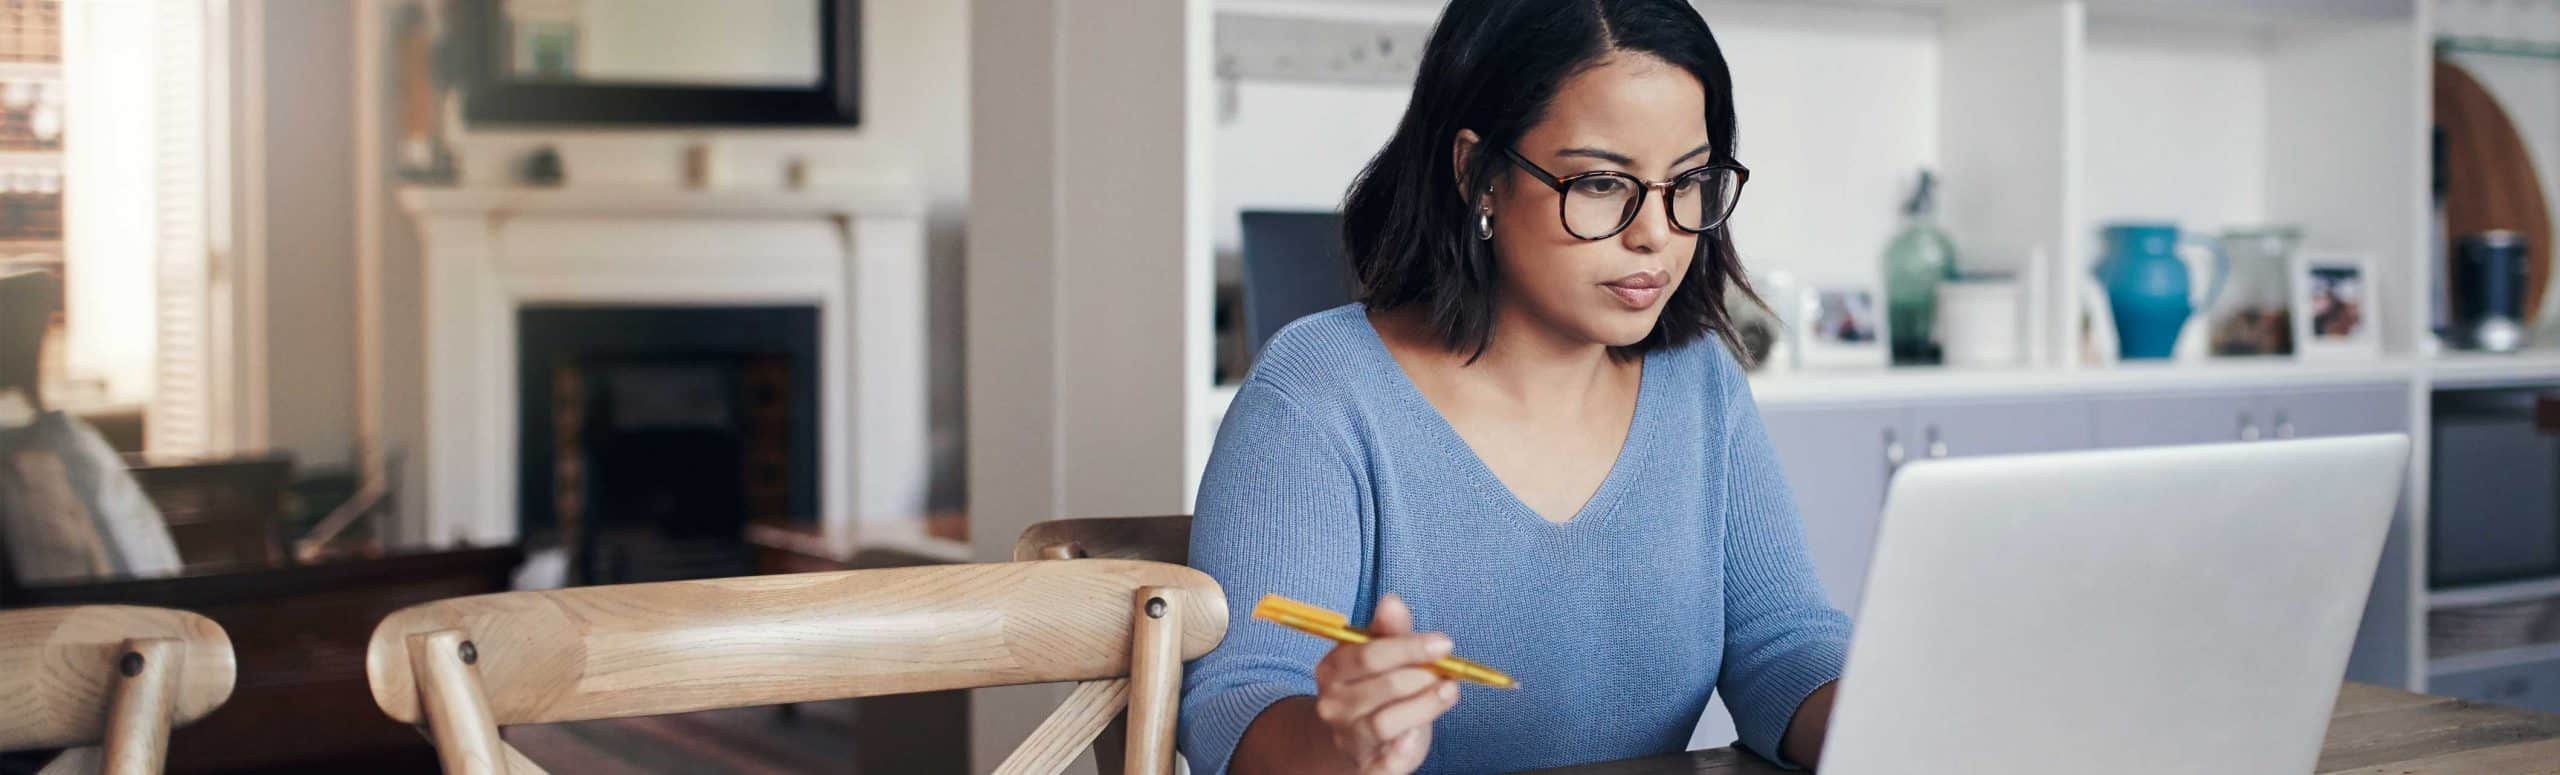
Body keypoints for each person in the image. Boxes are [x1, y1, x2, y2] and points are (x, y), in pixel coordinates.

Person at [1180, 1, 1852, 773]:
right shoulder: (1320, 390)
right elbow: (1236, 700)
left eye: (1689, 180)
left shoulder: (1701, 382)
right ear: (1479, 174)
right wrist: (1340, 743)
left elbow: (1783, 645)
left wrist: (1894, 719)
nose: (1656, 232)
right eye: (1601, 182)